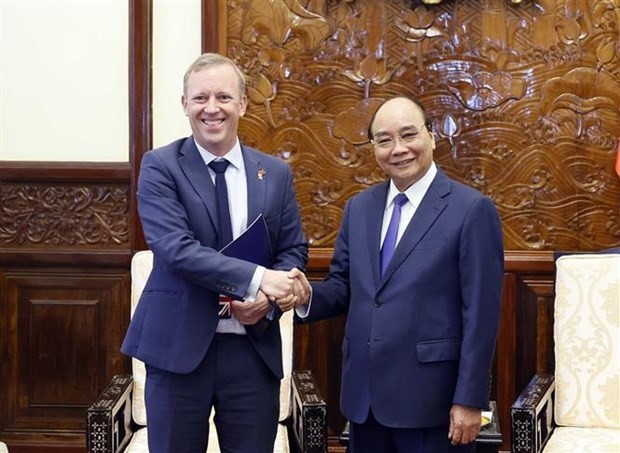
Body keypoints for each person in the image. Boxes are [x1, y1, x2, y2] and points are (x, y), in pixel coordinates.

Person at [286, 96, 504, 452]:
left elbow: (481, 315)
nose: (398, 149)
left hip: (432, 405)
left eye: (408, 135)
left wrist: (470, 399)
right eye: (384, 140)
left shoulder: (471, 210)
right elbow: (344, 286)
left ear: (431, 136)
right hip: (365, 402)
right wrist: (307, 295)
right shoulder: (360, 208)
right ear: (373, 148)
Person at [121, 53, 308, 453]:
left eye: (223, 96)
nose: (211, 108)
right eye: (200, 97)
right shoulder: (160, 166)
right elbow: (176, 250)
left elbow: (292, 249)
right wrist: (259, 279)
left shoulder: (274, 173)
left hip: (252, 351)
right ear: (185, 104)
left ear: (242, 104)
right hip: (177, 349)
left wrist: (269, 300)